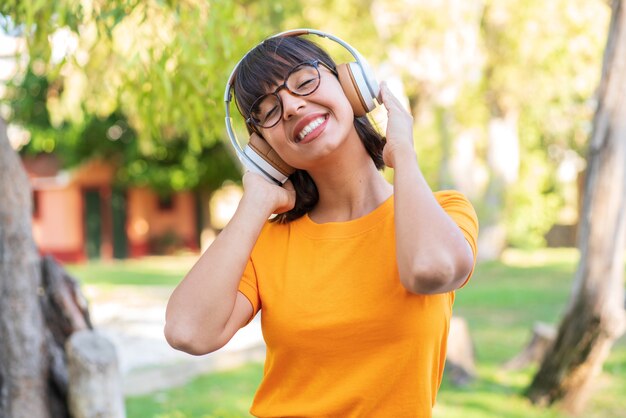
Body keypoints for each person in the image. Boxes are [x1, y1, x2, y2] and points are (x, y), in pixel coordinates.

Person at [165, 33, 478, 418]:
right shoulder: (268, 242)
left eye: (303, 82)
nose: (293, 106)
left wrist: (404, 153)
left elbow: (431, 270)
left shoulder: (446, 212)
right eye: (269, 111)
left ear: (350, 84)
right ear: (263, 148)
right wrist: (256, 202)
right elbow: (187, 331)